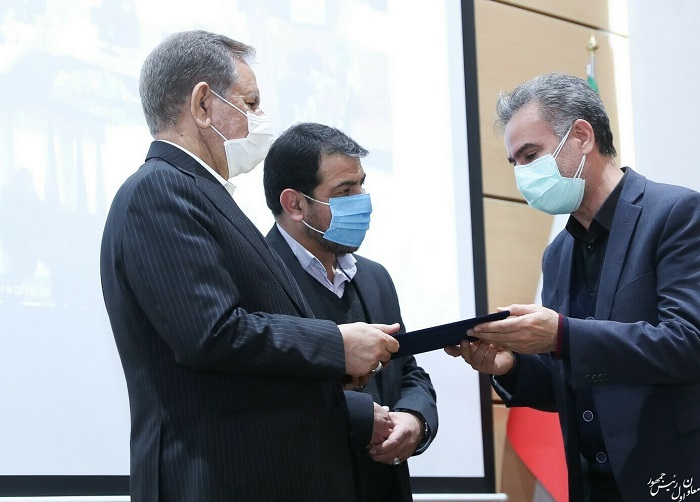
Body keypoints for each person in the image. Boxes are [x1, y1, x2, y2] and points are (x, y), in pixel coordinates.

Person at [100, 30, 400, 502]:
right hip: (218, 479)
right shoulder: (160, 190)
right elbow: (212, 334)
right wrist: (335, 345)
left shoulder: (201, 193)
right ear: (203, 105)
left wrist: (333, 371)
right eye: (250, 103)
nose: (259, 119)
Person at [446, 72, 700, 501]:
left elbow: (689, 342)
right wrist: (510, 367)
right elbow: (569, 381)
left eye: (531, 155)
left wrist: (561, 335)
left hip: (670, 481)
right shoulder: (558, 253)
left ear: (582, 136)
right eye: (514, 163)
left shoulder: (675, 213)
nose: (522, 174)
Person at [263, 122, 438, 501]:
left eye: (362, 184)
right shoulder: (256, 276)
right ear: (295, 204)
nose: (363, 201)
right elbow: (262, 397)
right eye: (345, 191)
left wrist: (414, 419)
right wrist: (358, 416)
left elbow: (408, 371)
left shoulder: (375, 277)